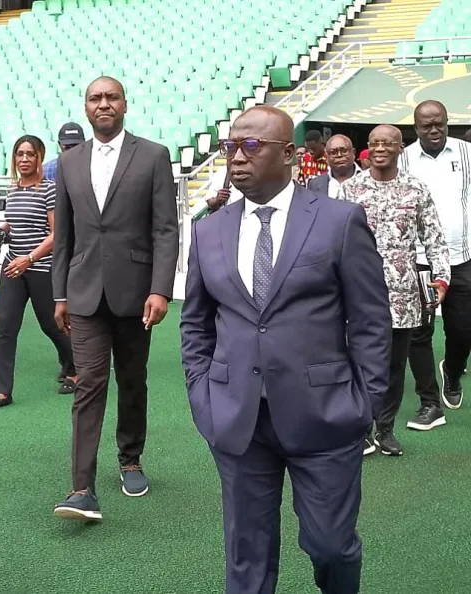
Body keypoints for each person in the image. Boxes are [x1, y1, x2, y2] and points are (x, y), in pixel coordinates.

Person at [180, 106, 391, 594]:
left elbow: (370, 320)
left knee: (331, 547)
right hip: (237, 419)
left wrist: (367, 404)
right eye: (231, 146)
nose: (237, 156)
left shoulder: (340, 221)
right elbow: (195, 322)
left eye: (252, 147)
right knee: (246, 559)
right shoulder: (209, 229)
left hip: (326, 415)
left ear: (290, 155)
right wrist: (202, 395)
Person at [52, 76, 179, 521]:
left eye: (111, 97)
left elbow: (165, 228)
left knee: (132, 379)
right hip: (84, 292)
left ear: (124, 104)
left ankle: (130, 458)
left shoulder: (153, 155)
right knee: (89, 384)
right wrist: (60, 294)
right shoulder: (68, 163)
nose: (103, 104)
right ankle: (81, 488)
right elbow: (64, 236)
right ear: (86, 108)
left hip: (136, 291)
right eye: (95, 98)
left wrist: (161, 288)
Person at [338, 124, 450, 455]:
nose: (381, 148)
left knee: (394, 366)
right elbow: (331, 239)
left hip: (403, 294)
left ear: (401, 148)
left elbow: (434, 237)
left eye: (388, 143)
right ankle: (360, 429)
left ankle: (384, 430)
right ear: (368, 149)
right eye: (374, 143)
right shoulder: (350, 190)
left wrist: (441, 278)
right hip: (357, 292)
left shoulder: (416, 190)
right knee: (357, 362)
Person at [0, 135, 78, 411]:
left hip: (41, 268)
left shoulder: (50, 190)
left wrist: (30, 257)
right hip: (13, 267)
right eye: (19, 154)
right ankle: (2, 392)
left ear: (39, 157)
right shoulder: (13, 190)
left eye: (30, 154)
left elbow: (57, 234)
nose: (24, 159)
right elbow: (14, 225)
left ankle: (76, 369)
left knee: (53, 325)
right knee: (6, 329)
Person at [402, 100, 471, 423]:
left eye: (439, 123)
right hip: (420, 260)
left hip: (462, 257)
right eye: (426, 125)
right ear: (416, 128)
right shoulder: (404, 159)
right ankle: (429, 402)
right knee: (420, 333)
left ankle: (453, 370)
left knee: (462, 329)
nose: (434, 130)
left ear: (447, 122)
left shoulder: (466, 152)